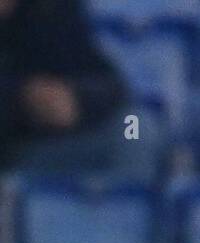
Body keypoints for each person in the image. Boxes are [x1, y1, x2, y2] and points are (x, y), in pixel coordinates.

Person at [0, 0, 127, 174]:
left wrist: (75, 99)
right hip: (11, 146)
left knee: (136, 129)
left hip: (38, 149)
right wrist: (21, 99)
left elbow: (106, 81)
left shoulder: (51, 9)